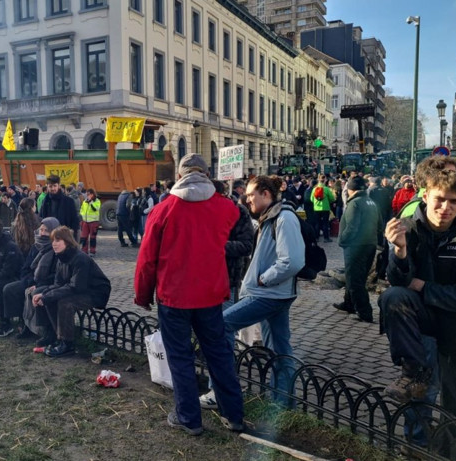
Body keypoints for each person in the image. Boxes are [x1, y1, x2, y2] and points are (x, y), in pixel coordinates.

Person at [134, 154, 244, 435]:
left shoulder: (164, 209)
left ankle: (189, 418)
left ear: (180, 176)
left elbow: (147, 259)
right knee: (218, 354)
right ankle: (234, 415)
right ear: (207, 174)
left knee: (180, 358)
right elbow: (233, 222)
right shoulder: (225, 207)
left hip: (174, 296)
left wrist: (143, 294)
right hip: (210, 294)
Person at [379, 170, 456, 423]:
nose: (446, 208)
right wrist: (400, 251)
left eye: (454, 201)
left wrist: (424, 287)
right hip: (425, 321)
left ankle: (452, 450)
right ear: (425, 196)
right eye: (439, 199)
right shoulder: (408, 229)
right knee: (392, 297)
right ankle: (414, 373)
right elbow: (398, 284)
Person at [222, 175, 305, 407]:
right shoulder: (270, 217)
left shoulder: (284, 218)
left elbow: (292, 261)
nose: (247, 200)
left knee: (222, 323)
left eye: (251, 195)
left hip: (269, 294)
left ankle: (224, 387)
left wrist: (263, 279)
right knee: (279, 348)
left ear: (266, 194)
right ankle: (284, 402)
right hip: (272, 293)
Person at [33, 226, 111, 357]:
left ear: (67, 242)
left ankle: (67, 343)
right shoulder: (61, 257)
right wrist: (44, 294)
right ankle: (59, 336)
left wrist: (48, 295)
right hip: (80, 289)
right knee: (51, 298)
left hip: (95, 292)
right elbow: (58, 284)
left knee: (65, 302)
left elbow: (76, 286)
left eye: (58, 240)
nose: (54, 244)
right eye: (53, 240)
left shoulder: (80, 258)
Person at [332, 176, 383, 322]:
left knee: (355, 280)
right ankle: (349, 303)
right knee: (354, 276)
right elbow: (380, 225)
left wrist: (342, 240)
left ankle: (364, 312)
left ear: (350, 189)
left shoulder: (354, 204)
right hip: (370, 245)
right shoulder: (372, 202)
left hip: (355, 246)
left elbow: (352, 227)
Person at [1, 217, 60, 340]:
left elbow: (56, 274)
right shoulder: (36, 246)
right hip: (31, 279)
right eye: (41, 230)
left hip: (47, 283)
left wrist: (37, 284)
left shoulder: (56, 248)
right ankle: (24, 323)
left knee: (35, 293)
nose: (42, 233)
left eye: (46, 231)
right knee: (10, 289)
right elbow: (26, 267)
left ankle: (44, 330)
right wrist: (28, 281)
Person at [310, 175, 335, 242]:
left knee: (317, 223)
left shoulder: (314, 189)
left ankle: (317, 237)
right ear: (325, 180)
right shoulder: (326, 189)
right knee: (325, 223)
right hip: (325, 208)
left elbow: (311, 199)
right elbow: (332, 198)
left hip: (316, 208)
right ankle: (326, 238)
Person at [79, 189, 100, 255]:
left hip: (93, 222)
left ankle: (92, 251)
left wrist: (91, 202)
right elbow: (82, 209)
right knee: (84, 237)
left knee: (92, 237)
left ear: (93, 194)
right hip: (85, 221)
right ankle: (84, 250)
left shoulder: (97, 201)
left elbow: (95, 209)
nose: (88, 196)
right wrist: (82, 215)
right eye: (87, 194)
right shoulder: (85, 201)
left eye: (90, 194)